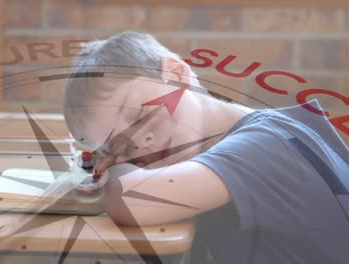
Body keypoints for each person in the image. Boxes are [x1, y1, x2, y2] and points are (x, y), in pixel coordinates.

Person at [63, 31, 349, 263]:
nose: (140, 142)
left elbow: (132, 200)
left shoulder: (266, 145)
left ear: (176, 74)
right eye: (119, 145)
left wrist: (111, 166)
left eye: (138, 115)